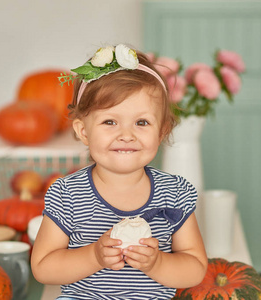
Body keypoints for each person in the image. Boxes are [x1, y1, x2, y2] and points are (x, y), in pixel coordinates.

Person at [31, 44, 207, 300]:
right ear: (83, 132)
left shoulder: (174, 192)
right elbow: (43, 267)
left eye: (142, 122)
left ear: (162, 131)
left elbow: (195, 268)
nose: (126, 135)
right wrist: (94, 255)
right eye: (110, 122)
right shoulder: (67, 193)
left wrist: (157, 264)